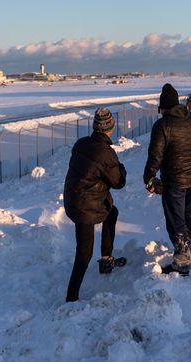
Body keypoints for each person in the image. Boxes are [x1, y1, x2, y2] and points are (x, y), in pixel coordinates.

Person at [63, 107, 127, 302]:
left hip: (74, 199)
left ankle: (106, 260)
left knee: (112, 213)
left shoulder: (81, 144)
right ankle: (71, 297)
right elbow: (118, 182)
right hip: (85, 207)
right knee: (84, 252)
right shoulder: (106, 153)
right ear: (110, 128)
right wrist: (121, 168)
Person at [143, 84, 191, 275]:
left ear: (163, 107)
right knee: (189, 211)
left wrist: (149, 177)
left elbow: (155, 155)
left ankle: (182, 261)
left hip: (174, 181)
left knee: (176, 219)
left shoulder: (162, 126)